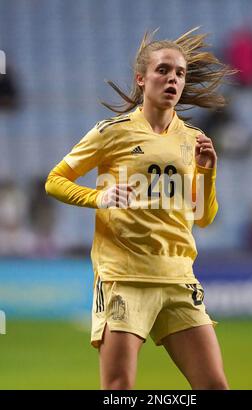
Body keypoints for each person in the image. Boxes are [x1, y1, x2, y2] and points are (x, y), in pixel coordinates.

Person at [45, 28, 233, 390]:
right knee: (119, 390)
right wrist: (97, 197)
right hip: (124, 279)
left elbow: (204, 217)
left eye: (179, 73)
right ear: (141, 78)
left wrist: (208, 173)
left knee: (215, 387)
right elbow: (55, 180)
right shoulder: (111, 132)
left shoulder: (193, 139)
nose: (173, 79)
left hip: (178, 278)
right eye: (163, 70)